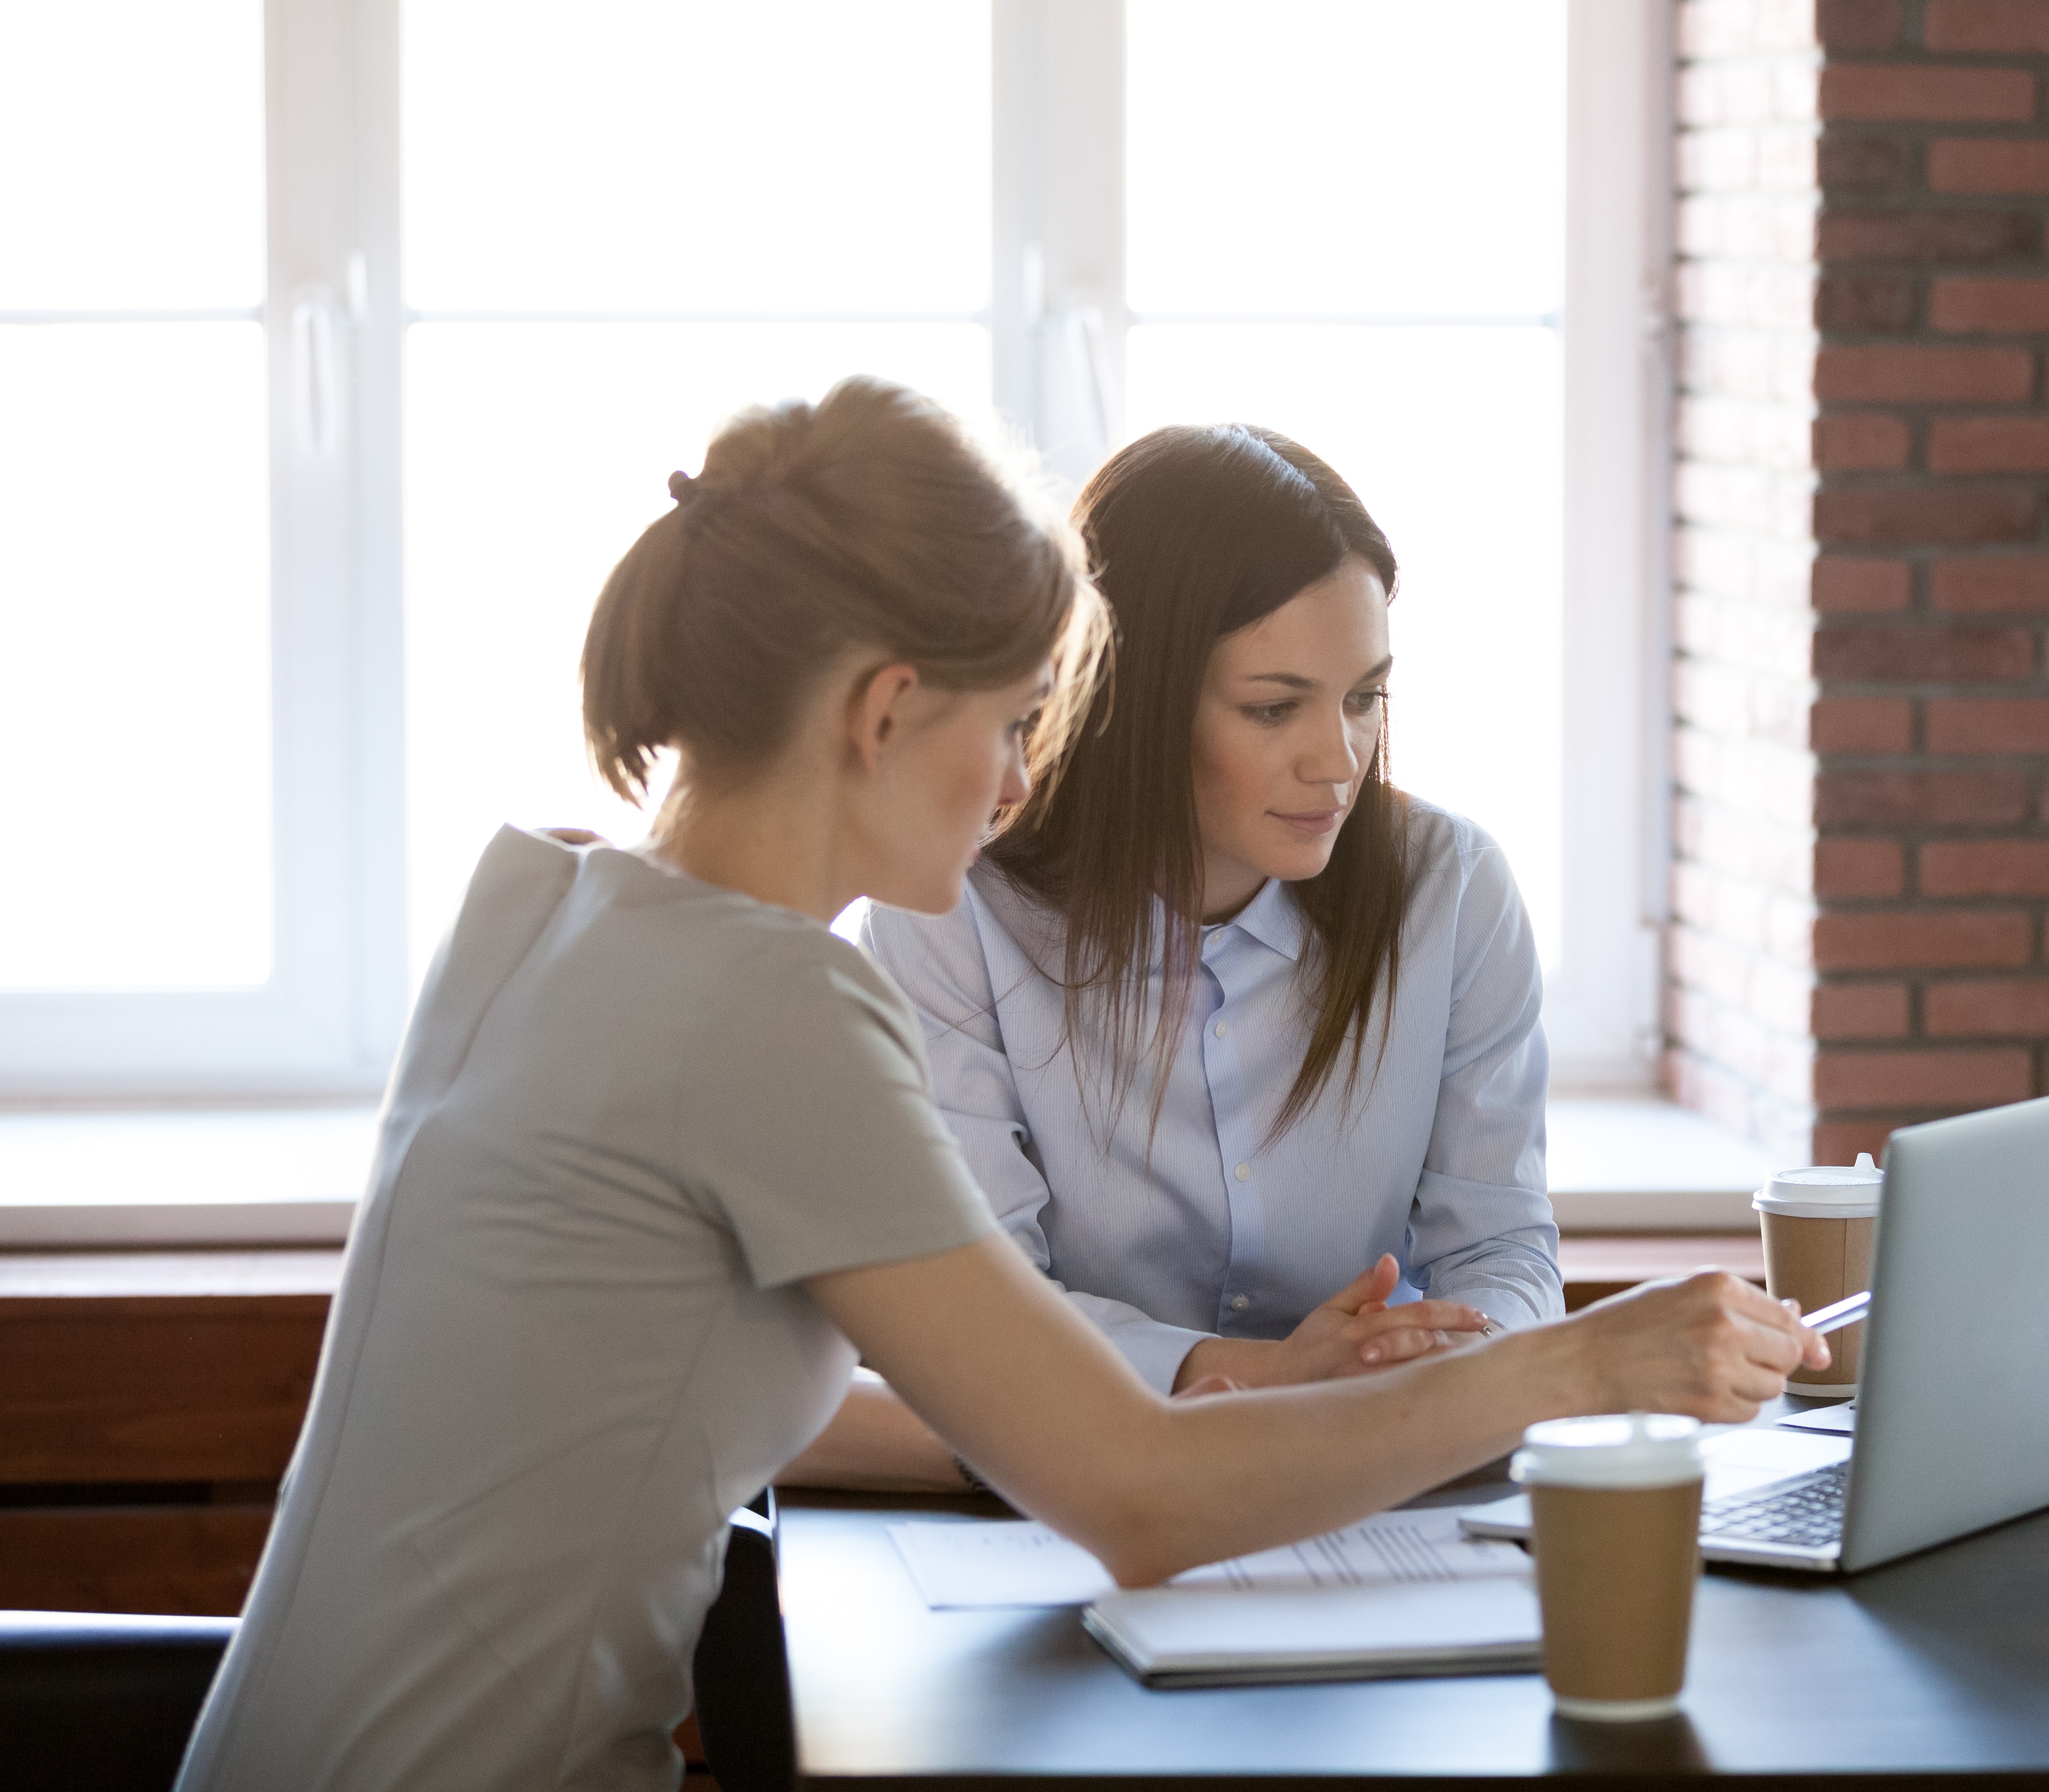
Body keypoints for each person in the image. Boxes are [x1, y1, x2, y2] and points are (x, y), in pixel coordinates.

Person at [174, 377, 1829, 1792]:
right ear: (889, 711)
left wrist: (1245, 1389)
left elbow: (707, 1398)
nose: (1028, 781)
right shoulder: (773, 1006)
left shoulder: (551, 901)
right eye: (1020, 719)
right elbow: (1132, 1499)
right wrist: (1575, 1359)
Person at [808, 424, 1550, 1487]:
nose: (1337, 760)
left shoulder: (1454, 888)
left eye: (1363, 697)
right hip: (1053, 1490)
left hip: (1381, 1480)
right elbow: (976, 1304)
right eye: (1272, 706)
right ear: (1130, 700)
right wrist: (1262, 1376)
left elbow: (1505, 1243)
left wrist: (1449, 1362)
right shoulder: (952, 905)